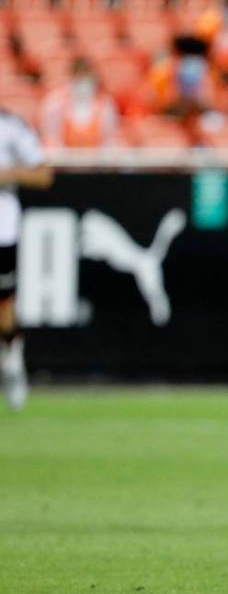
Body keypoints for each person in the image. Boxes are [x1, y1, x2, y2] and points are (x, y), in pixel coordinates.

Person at [0, 109, 54, 410]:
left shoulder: (10, 127)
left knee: (4, 303)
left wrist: (9, 174)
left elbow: (44, 173)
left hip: (2, 227)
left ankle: (12, 363)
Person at [39, 57, 120, 148]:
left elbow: (109, 142)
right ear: (71, 79)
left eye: (86, 79)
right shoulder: (55, 103)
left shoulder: (105, 105)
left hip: (96, 160)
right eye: (78, 79)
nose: (82, 85)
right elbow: (51, 139)